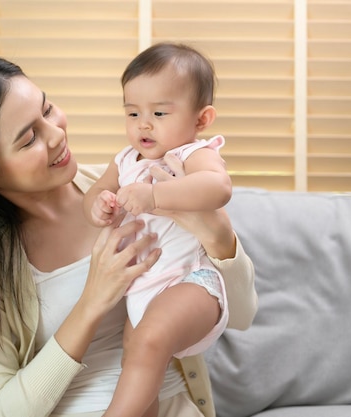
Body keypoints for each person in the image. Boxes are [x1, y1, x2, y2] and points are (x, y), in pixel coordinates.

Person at [0, 54, 257, 417]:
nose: (57, 133)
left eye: (47, 110)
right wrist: (91, 302)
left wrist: (220, 238)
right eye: (29, 138)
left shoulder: (143, 183)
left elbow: (240, 316)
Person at [83, 42, 232, 417]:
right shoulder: (124, 160)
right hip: (142, 296)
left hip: (191, 283)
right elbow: (97, 191)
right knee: (137, 364)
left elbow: (218, 188)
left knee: (149, 341)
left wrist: (153, 195)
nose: (143, 124)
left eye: (160, 112)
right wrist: (99, 205)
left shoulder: (193, 153)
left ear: (201, 119)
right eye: (132, 112)